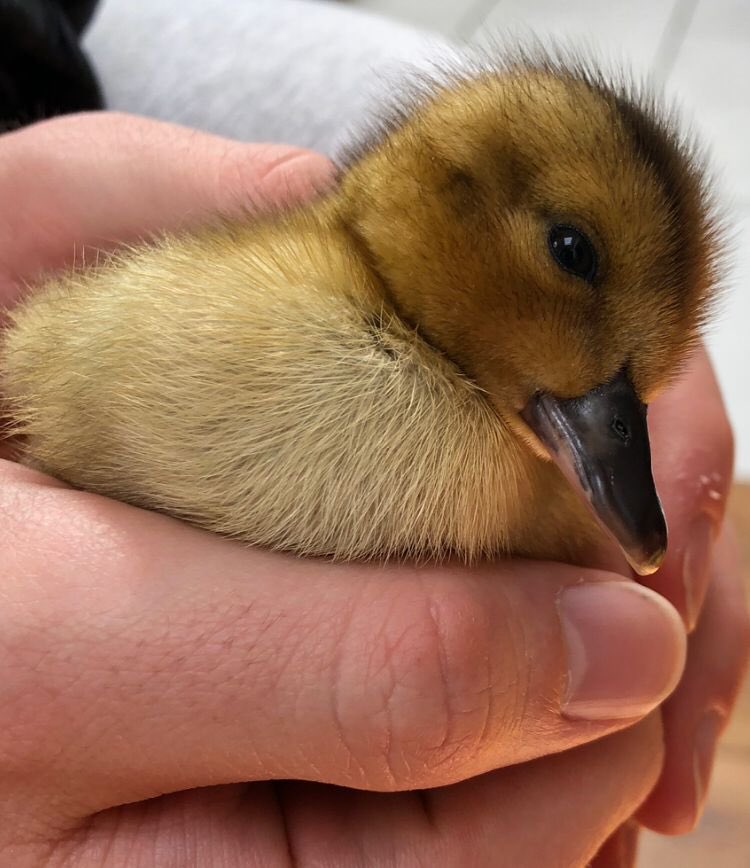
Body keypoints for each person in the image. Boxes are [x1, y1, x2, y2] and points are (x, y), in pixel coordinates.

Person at [0, 1, 747, 864]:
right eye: (569, 252)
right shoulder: (174, 331)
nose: (620, 433)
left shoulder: (538, 499)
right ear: (451, 183)